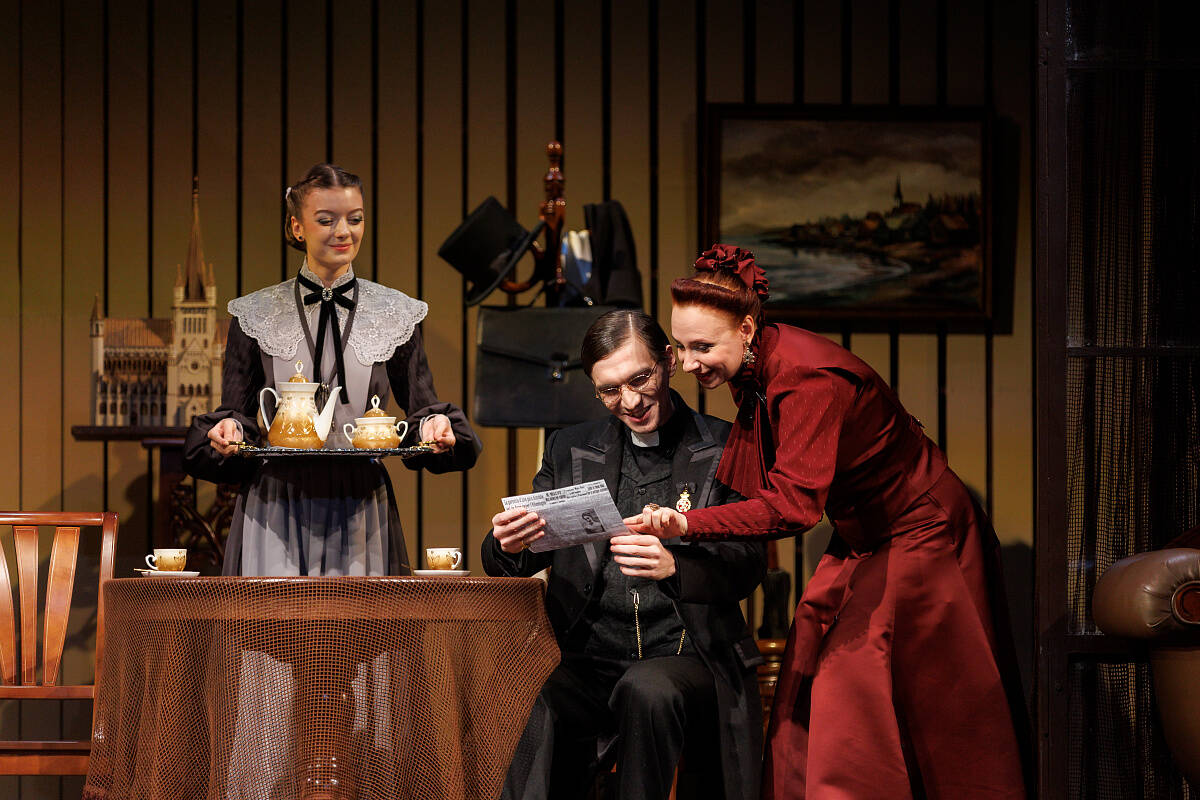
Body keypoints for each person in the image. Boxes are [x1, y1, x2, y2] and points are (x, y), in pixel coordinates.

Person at [627, 245, 1032, 799]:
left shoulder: (807, 378)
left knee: (873, 688)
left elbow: (794, 507)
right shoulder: (753, 364)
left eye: (703, 346)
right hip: (861, 534)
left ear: (746, 329)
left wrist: (687, 525)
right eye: (681, 345)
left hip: (921, 530)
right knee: (806, 669)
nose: (689, 362)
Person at [482, 309, 766, 800]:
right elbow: (520, 557)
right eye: (610, 390)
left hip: (687, 654)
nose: (630, 401)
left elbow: (748, 562)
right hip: (590, 659)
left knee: (646, 689)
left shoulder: (725, 447)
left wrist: (676, 567)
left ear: (668, 362)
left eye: (640, 379)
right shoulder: (570, 448)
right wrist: (508, 543)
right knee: (530, 692)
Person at [183, 162, 479, 577]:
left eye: (355, 219)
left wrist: (433, 427)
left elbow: (421, 409)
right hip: (276, 501)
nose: (344, 232)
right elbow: (237, 413)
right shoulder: (255, 313)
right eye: (326, 220)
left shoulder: (395, 312)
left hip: (360, 502)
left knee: (356, 618)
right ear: (297, 227)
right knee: (276, 618)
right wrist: (229, 429)